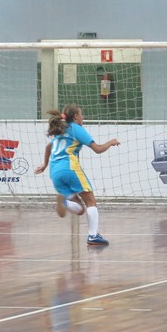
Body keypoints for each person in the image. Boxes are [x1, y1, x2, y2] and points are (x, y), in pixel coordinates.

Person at [34, 103, 119, 246]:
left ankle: (64, 202)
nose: (83, 117)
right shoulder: (76, 128)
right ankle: (93, 236)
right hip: (70, 169)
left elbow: (48, 146)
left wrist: (44, 165)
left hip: (54, 173)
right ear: (75, 116)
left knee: (79, 210)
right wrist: (111, 142)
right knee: (91, 201)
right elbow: (97, 149)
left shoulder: (61, 129)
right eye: (81, 114)